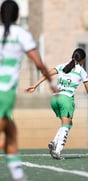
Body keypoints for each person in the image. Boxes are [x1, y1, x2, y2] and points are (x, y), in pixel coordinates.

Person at [0, 0, 58, 180]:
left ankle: (18, 176)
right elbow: (39, 63)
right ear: (17, 16)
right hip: (5, 91)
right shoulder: (21, 34)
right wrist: (51, 82)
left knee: (11, 131)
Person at [25, 48, 88, 160]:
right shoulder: (81, 71)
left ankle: (54, 142)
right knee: (66, 125)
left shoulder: (61, 66)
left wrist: (35, 85)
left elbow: (46, 74)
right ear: (82, 60)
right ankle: (58, 150)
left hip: (55, 99)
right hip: (66, 100)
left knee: (68, 124)